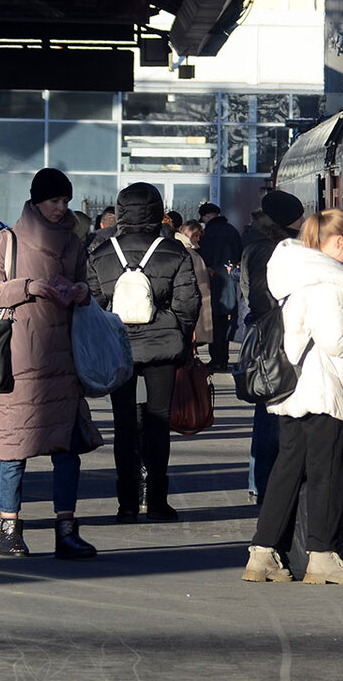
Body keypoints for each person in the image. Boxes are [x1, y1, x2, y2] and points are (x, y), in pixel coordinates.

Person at [242, 208, 343, 585]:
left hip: (294, 392)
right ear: (338, 241)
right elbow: (336, 342)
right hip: (322, 391)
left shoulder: (295, 276)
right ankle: (321, 557)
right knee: (328, 473)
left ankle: (262, 555)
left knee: (286, 470)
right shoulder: (327, 282)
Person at [0, 167, 102, 559]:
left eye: (65, 201)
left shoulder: (74, 243)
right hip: (17, 361)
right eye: (54, 201)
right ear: (36, 200)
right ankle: (9, 530)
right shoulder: (5, 240)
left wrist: (81, 292)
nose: (61, 208)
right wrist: (29, 287)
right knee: (13, 448)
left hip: (64, 360)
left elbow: (87, 287)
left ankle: (66, 531)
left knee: (67, 450)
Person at [87, 182, 200, 523]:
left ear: (120, 213)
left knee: (123, 424)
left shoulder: (101, 254)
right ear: (156, 212)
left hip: (117, 346)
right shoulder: (174, 251)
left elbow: (92, 304)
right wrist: (172, 331)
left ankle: (126, 503)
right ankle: (156, 501)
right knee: (158, 422)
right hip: (162, 348)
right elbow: (188, 304)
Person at [239, 190, 305, 502]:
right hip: (273, 339)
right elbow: (262, 297)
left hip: (269, 333)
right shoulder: (267, 249)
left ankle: (260, 480)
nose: (303, 223)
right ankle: (264, 483)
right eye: (298, 218)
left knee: (269, 408)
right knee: (271, 406)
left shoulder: (260, 243)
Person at [197, 202, 242, 370]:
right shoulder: (232, 230)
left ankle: (217, 359)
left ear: (207, 216)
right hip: (231, 280)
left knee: (215, 323)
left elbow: (205, 257)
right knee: (225, 323)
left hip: (214, 281)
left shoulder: (209, 233)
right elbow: (239, 253)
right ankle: (224, 357)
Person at [176, 220, 213, 348]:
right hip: (191, 299)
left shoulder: (186, 249)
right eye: (196, 236)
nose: (198, 239)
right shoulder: (187, 251)